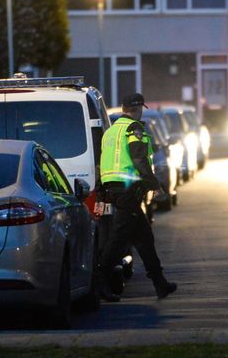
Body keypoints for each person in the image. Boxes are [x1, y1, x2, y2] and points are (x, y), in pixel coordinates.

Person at [96, 93, 177, 301]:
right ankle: (99, 282)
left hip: (114, 189)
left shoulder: (111, 131)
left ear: (124, 108)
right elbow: (139, 160)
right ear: (139, 108)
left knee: (144, 238)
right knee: (118, 239)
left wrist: (101, 190)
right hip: (128, 190)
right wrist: (155, 186)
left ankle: (160, 283)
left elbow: (103, 162)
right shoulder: (134, 128)